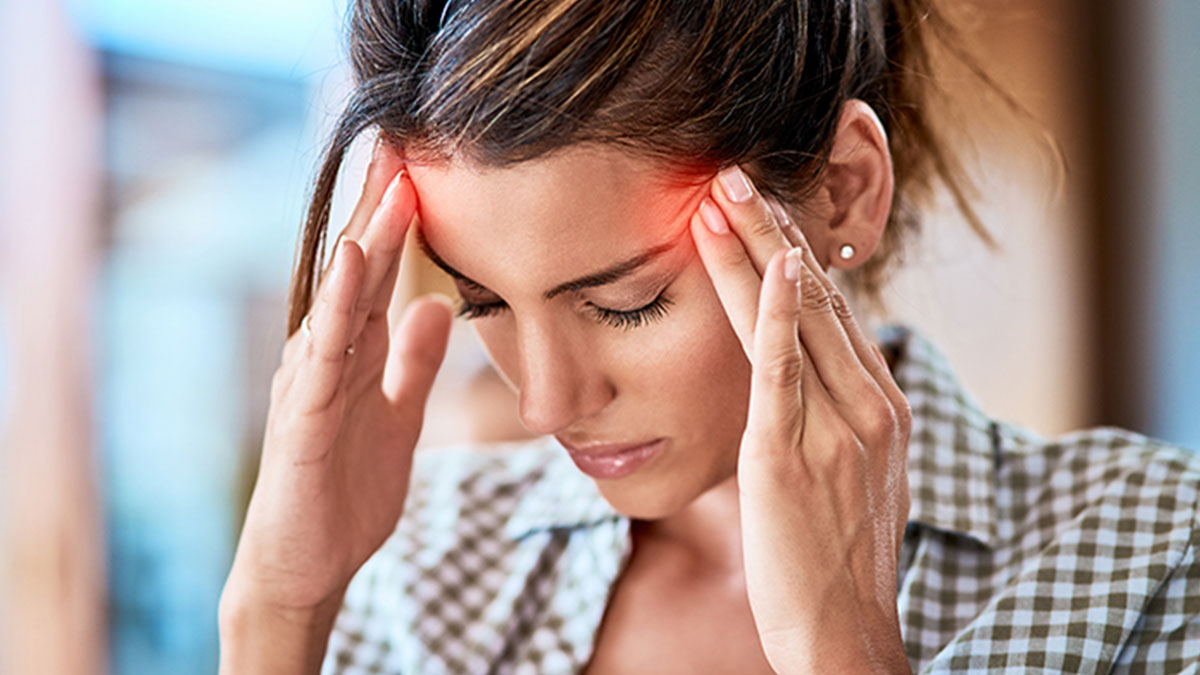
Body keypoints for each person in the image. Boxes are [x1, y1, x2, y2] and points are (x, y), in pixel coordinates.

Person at [217, 0, 1200, 673]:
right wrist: (277, 613)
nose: (545, 404)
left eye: (628, 301)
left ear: (844, 187)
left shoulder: (1148, 553)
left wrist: (844, 653)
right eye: (487, 304)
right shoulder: (420, 567)